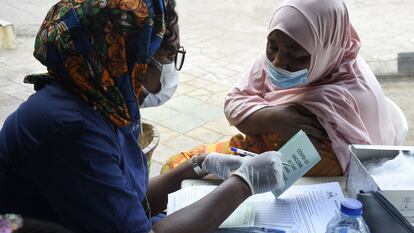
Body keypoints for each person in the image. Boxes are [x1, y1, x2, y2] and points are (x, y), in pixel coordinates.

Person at [0, 0, 284, 233]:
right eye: (167, 55)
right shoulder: (70, 130)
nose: (171, 67)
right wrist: (243, 184)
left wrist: (197, 166)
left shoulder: (103, 103)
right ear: (128, 58)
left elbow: (130, 200)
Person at [162, 0, 397, 176]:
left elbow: (285, 170)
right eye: (271, 47)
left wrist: (259, 118)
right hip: (262, 155)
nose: (277, 62)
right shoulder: (298, 46)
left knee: (179, 172)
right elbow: (234, 103)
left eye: (295, 54)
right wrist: (277, 117)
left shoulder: (341, 99)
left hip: (297, 176)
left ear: (325, 49)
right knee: (178, 169)